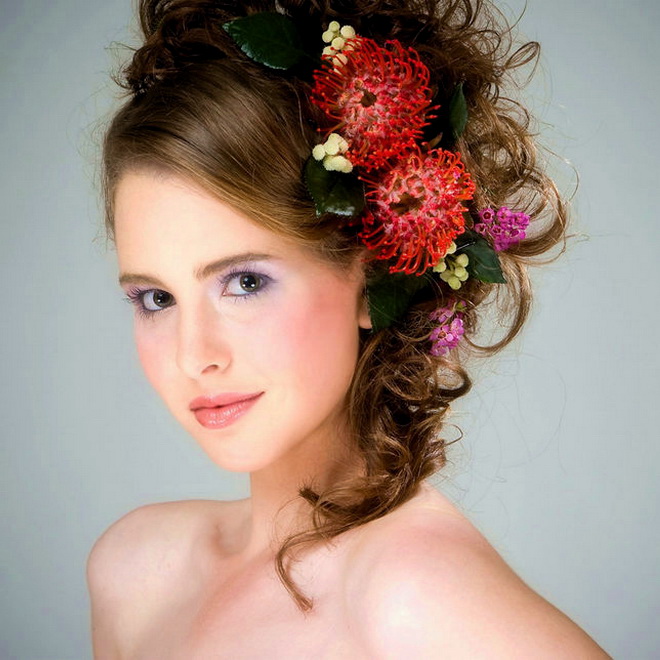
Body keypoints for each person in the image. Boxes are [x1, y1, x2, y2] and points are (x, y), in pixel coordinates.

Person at [86, 0, 610, 656]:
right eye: (156, 298)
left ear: (372, 272)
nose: (195, 356)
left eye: (245, 282)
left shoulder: (417, 598)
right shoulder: (135, 572)